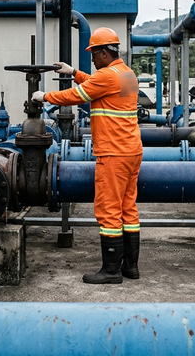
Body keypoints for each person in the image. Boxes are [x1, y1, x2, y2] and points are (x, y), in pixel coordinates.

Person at [32, 27, 143, 284]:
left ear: (105, 53)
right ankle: (130, 267)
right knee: (128, 207)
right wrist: (73, 72)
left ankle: (111, 271)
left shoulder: (106, 76)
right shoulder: (126, 74)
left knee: (108, 210)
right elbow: (98, 88)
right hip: (131, 151)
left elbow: (76, 96)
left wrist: (44, 97)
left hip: (113, 153)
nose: (92, 58)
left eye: (94, 53)